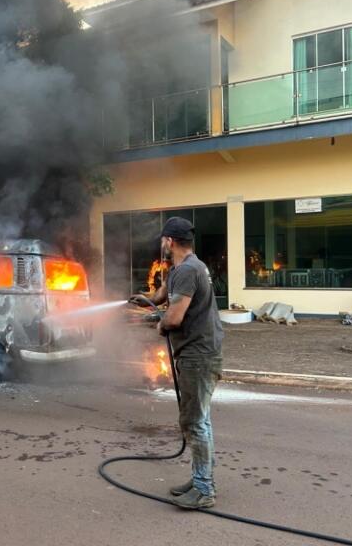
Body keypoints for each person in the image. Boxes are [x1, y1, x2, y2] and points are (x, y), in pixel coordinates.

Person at [132, 216, 224, 509]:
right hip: (196, 352)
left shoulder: (187, 271)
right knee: (200, 419)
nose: (162, 244)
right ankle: (200, 478)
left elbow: (173, 317)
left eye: (163, 240)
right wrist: (144, 300)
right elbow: (161, 297)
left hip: (199, 354)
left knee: (194, 422)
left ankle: (204, 491)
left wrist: (158, 324)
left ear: (169, 241)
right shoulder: (182, 269)